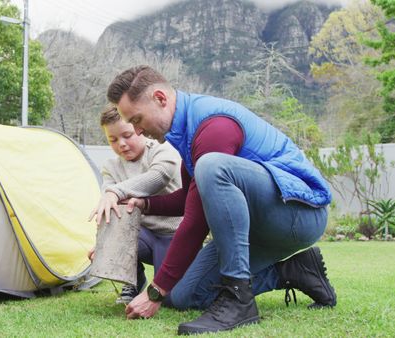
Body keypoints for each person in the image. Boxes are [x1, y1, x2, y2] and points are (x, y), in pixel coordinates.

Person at [106, 65, 336, 335]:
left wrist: (154, 292)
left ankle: (238, 299)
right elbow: (189, 199)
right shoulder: (188, 134)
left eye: (136, 119)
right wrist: (145, 203)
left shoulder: (213, 126)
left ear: (160, 98)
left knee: (211, 167)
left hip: (299, 214)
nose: (137, 130)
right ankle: (293, 271)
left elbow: (196, 219)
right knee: (181, 294)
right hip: (260, 225)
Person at [89, 105, 182, 304]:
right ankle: (132, 281)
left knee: (173, 299)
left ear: (139, 130)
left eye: (127, 135)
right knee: (112, 209)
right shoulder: (110, 167)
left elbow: (159, 176)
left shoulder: (163, 149)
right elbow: (108, 199)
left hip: (174, 235)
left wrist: (116, 191)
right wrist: (105, 246)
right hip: (142, 236)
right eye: (113, 140)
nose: (121, 144)